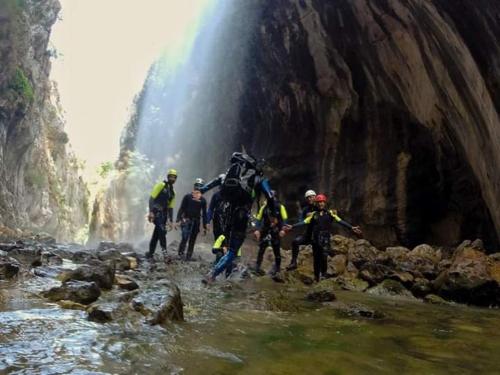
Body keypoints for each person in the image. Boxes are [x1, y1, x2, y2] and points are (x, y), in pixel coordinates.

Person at [201, 152, 277, 283]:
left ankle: (225, 274)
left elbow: (209, 185)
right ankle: (213, 274)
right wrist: (274, 215)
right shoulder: (258, 179)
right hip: (241, 216)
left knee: (228, 246)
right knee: (233, 251)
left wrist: (200, 191)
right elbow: (270, 196)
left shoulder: (230, 177)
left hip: (227, 215)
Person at [286, 194, 362, 282]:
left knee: (324, 257)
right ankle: (316, 277)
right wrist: (292, 226)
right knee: (316, 258)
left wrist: (351, 227)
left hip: (325, 239)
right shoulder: (313, 214)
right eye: (319, 202)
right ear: (316, 203)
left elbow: (340, 221)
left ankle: (324, 274)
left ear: (324, 203)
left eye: (322, 202)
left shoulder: (330, 213)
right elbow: (304, 222)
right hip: (316, 238)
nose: (320, 204)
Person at [253, 191, 288, 276]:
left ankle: (277, 268)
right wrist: (257, 230)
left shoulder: (280, 207)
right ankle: (257, 267)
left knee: (276, 250)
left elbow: (285, 219)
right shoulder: (264, 207)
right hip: (265, 231)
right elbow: (258, 219)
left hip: (276, 231)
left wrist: (283, 230)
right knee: (261, 249)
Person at [147, 169, 177, 259]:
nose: (172, 178)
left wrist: (171, 221)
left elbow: (171, 207)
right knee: (162, 231)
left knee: (156, 234)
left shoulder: (173, 193)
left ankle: (150, 254)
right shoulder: (161, 185)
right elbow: (151, 198)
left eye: (174, 177)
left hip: (164, 215)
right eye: (170, 176)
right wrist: (151, 212)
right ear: (168, 177)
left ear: (176, 179)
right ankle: (165, 253)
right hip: (156, 212)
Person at [176, 179, 208, 261]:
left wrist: (204, 226)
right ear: (194, 186)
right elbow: (181, 208)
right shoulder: (187, 196)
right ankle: (180, 254)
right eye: (197, 185)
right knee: (185, 237)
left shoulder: (203, 200)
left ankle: (188, 256)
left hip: (196, 222)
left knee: (192, 239)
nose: (198, 187)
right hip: (187, 220)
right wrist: (178, 220)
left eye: (200, 186)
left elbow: (204, 214)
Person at [286, 189, 317, 271]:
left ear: (315, 197)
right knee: (295, 242)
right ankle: (293, 263)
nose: (310, 199)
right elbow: (302, 221)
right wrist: (293, 226)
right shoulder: (305, 210)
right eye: (308, 197)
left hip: (318, 234)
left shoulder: (320, 207)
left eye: (312, 197)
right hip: (308, 233)